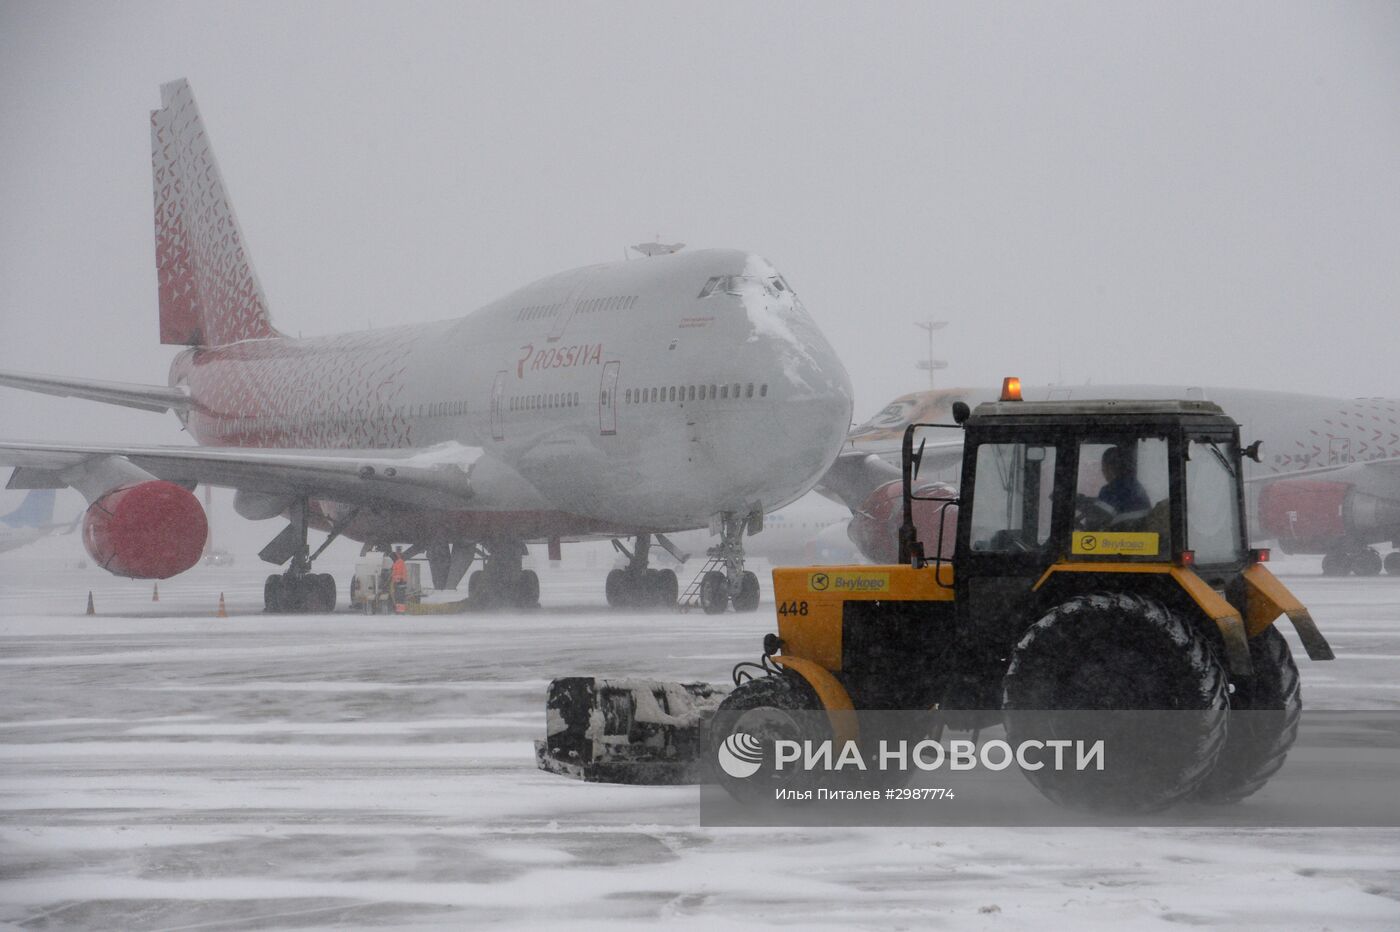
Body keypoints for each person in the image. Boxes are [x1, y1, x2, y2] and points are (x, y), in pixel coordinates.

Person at [1098, 446, 1150, 513]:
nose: (1102, 471)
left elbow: (1098, 519)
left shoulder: (1109, 491)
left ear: (1109, 467)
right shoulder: (1136, 487)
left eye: (1103, 467)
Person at [390, 548, 409, 614]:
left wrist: (402, 580)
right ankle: (398, 610)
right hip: (397, 583)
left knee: (400, 597)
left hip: (400, 582)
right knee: (397, 597)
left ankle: (401, 611)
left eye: (392, 558)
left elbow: (403, 572)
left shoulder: (400, 562)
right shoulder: (396, 563)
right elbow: (394, 573)